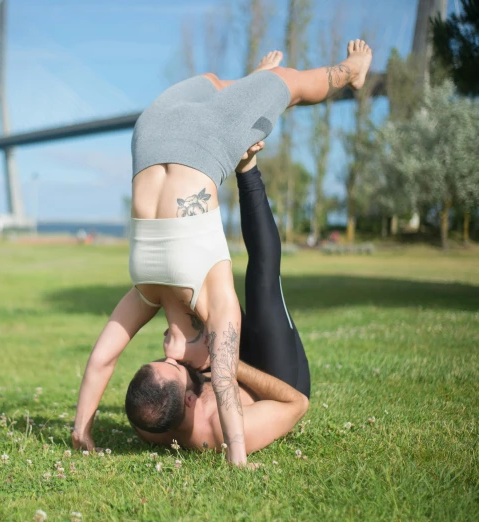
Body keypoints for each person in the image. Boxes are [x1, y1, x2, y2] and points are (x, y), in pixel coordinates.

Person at [73, 40, 373, 466]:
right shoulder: (148, 287)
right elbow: (109, 359)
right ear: (193, 396)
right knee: (235, 83)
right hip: (154, 133)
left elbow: (220, 379)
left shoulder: (176, 300)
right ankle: (324, 75)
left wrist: (82, 427)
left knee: (279, 82)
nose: (169, 351)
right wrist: (80, 425)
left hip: (189, 140)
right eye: (171, 362)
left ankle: (326, 74)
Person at [125, 154, 310, 453]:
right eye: (174, 368)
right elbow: (298, 404)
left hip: (219, 362)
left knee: (199, 296)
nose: (171, 358)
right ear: (188, 399)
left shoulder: (149, 414)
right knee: (261, 282)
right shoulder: (218, 431)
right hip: (278, 379)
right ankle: (248, 167)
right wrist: (228, 365)